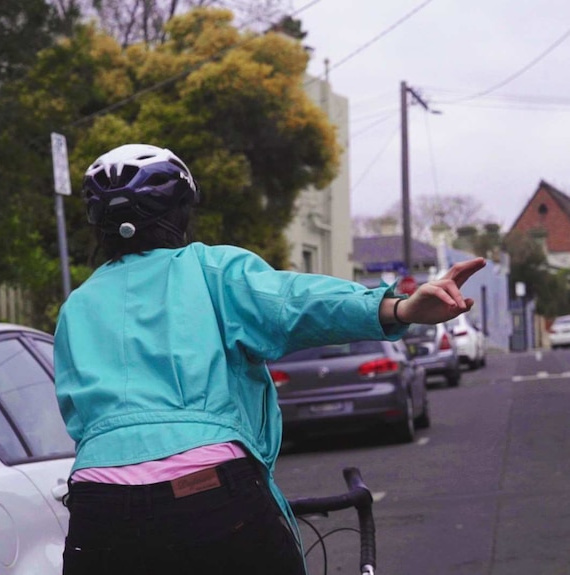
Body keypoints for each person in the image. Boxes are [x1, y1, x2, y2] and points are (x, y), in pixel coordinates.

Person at [54, 143, 485, 575]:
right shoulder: (211, 270)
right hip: (209, 493)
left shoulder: (77, 307)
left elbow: (78, 418)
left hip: (100, 508)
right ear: (181, 211)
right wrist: (399, 308)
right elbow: (296, 304)